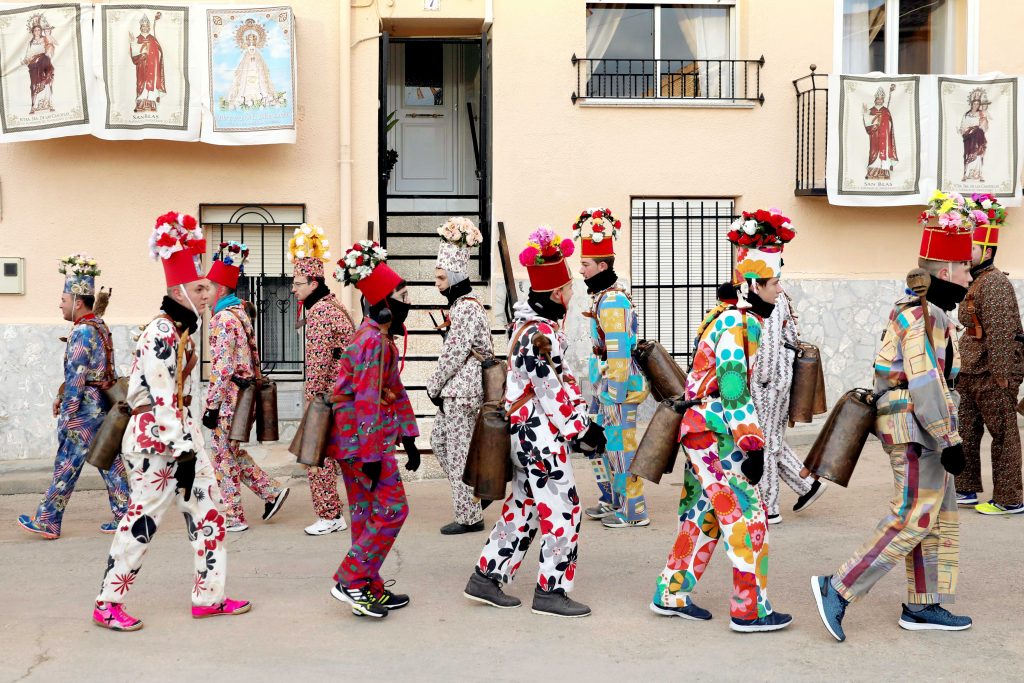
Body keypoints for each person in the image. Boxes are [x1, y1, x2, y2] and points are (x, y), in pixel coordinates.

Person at [812, 191, 975, 642]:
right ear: (945, 271)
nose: (969, 272)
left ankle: (922, 606)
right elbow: (924, 382)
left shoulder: (930, 312)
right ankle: (839, 587)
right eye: (964, 266)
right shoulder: (926, 316)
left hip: (917, 425)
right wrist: (949, 439)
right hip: (916, 427)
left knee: (934, 516)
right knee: (913, 516)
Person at [93, 212, 250, 632]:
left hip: (181, 440)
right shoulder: (162, 331)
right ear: (178, 290)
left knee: (209, 515)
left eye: (207, 288)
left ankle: (209, 597)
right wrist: (181, 450)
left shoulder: (180, 329)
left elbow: (178, 399)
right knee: (142, 520)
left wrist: (190, 447)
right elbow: (163, 399)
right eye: (199, 288)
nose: (206, 294)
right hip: (155, 444)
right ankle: (108, 601)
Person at [651, 208, 796, 633]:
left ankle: (671, 593)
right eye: (774, 283)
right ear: (754, 285)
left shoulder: (730, 316)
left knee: (705, 515)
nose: (778, 289)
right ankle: (749, 610)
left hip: (702, 430)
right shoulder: (738, 324)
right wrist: (752, 445)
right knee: (749, 517)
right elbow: (733, 388)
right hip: (717, 432)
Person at [463, 227, 605, 618]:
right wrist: (583, 428)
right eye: (569, 290)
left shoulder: (532, 328)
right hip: (539, 435)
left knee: (524, 508)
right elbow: (552, 389)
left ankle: (486, 577)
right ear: (556, 294)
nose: (573, 296)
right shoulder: (538, 334)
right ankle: (551, 591)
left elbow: (557, 384)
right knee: (565, 510)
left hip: (529, 433)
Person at [326, 240, 420, 619]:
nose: (408, 301)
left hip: (358, 441)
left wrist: (410, 436)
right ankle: (351, 579)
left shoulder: (378, 338)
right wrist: (370, 457)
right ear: (383, 302)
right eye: (403, 294)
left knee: (367, 514)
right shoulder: (373, 342)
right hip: (363, 441)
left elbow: (393, 390)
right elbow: (366, 400)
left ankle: (368, 587)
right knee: (394, 509)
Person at [17, 254, 129, 540]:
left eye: (64, 299)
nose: (60, 304)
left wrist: (68, 413)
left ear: (78, 302)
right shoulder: (99, 326)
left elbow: (78, 376)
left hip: (83, 410)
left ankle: (48, 520)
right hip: (99, 405)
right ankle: (127, 515)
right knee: (108, 459)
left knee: (67, 464)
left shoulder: (81, 331)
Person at [202, 241, 289, 533]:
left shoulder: (222, 320)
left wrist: (211, 406)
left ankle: (233, 515)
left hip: (228, 399)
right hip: (241, 396)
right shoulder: (239, 314)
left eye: (208, 288)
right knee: (232, 452)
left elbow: (222, 368)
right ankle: (272, 492)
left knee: (222, 456)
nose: (204, 295)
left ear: (222, 290)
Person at [574, 208, 650, 528]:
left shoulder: (613, 301)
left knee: (621, 447)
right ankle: (612, 498)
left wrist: (613, 394)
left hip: (616, 386)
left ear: (602, 266)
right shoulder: (603, 296)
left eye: (586, 264)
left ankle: (633, 510)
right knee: (597, 444)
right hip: (604, 384)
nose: (581, 270)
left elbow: (618, 351)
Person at [955, 194, 1023, 514]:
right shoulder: (975, 280)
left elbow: (1000, 334)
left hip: (992, 370)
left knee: (1003, 433)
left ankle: (1010, 499)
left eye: (971, 247)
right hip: (971, 369)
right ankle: (966, 488)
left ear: (987, 250)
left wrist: (1003, 377)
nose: (965, 253)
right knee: (966, 429)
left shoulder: (994, 282)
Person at [289, 224, 354, 536]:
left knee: (318, 456)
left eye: (298, 283)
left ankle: (330, 515)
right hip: (343, 395)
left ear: (313, 282)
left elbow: (317, 363)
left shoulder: (320, 314)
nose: (293, 288)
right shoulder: (331, 304)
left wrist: (312, 405)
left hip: (328, 398)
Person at [427, 217, 489, 535]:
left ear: (453, 275)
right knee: (439, 442)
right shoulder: (461, 306)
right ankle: (473, 500)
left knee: (458, 450)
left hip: (463, 391)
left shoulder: (466, 308)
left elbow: (454, 354)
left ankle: (469, 515)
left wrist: (433, 385)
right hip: (456, 389)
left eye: (440, 277)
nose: (436, 283)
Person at [751, 291, 826, 525]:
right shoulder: (769, 290)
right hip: (774, 377)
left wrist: (761, 378)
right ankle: (807, 485)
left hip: (770, 379)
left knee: (765, 442)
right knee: (770, 438)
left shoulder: (768, 292)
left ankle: (769, 507)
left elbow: (769, 340)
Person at [130, 13, 165, 113]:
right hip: (142, 67)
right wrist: (142, 55)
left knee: (152, 85)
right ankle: (140, 104)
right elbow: (134, 55)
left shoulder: (153, 39)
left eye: (146, 26)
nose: (145, 28)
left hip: (152, 67)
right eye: (143, 26)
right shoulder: (137, 39)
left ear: (149, 27)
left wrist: (154, 56)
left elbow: (159, 51)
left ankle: (151, 104)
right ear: (140, 27)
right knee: (141, 84)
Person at [22, 14, 56, 115]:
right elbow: (27, 54)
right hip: (34, 65)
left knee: (48, 81)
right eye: (35, 30)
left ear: (41, 31)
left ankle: (50, 104)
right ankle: (33, 106)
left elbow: (51, 48)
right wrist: (25, 60)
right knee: (33, 84)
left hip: (44, 61)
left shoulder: (45, 39)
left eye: (38, 30)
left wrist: (48, 51)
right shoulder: (30, 43)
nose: (37, 32)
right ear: (32, 32)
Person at [863, 84, 897, 180]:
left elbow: (890, 122)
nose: (880, 100)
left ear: (883, 100)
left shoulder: (886, 110)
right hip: (875, 136)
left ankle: (884, 172)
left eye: (881, 99)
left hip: (884, 136)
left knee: (884, 153)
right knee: (874, 152)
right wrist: (873, 122)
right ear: (875, 99)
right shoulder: (871, 110)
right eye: (878, 99)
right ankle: (873, 172)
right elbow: (867, 123)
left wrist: (886, 120)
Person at [959, 90, 989, 182]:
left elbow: (985, 127)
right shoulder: (966, 114)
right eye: (974, 104)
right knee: (967, 154)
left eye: (977, 104)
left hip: (978, 136)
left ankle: (979, 174)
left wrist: (983, 123)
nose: (976, 105)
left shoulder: (981, 114)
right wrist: (964, 130)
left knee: (979, 153)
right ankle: (965, 174)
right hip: (968, 136)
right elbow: (963, 125)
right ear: (971, 104)